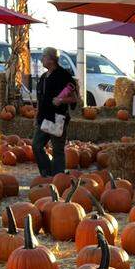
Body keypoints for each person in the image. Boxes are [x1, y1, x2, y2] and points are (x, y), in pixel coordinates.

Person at [33, 47, 76, 177]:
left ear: (51, 59)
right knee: (36, 145)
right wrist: (36, 116)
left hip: (58, 118)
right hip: (44, 118)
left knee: (57, 150)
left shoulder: (64, 75)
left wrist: (61, 100)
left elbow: (74, 98)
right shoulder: (43, 77)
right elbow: (40, 100)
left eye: (44, 56)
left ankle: (58, 177)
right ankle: (47, 173)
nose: (41, 59)